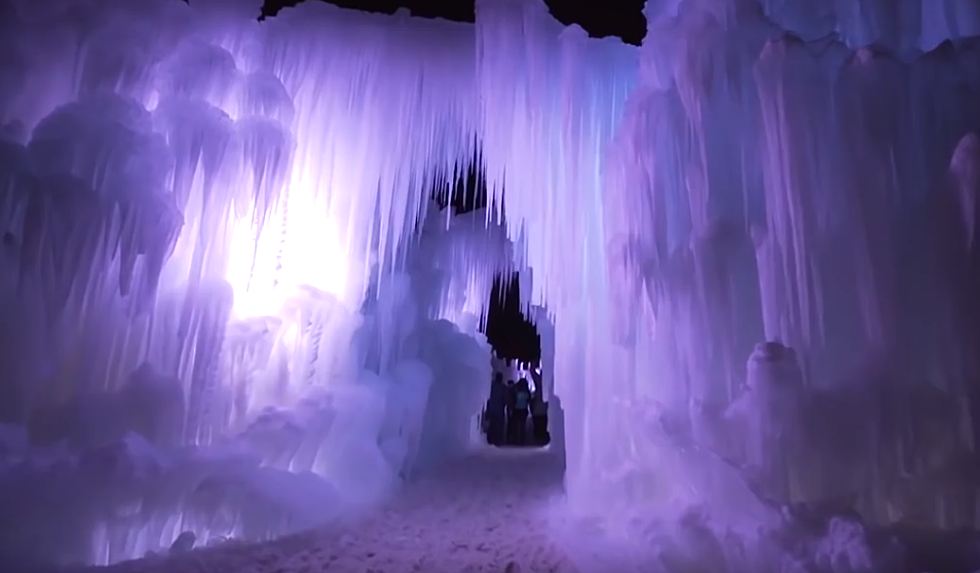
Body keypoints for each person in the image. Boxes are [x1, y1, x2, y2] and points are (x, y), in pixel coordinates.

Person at [485, 372, 508, 446]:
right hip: (499, 409)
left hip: (490, 408)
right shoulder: (503, 387)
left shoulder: (491, 386)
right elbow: (506, 399)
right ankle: (497, 440)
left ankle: (490, 439)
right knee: (498, 426)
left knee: (491, 425)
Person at [511, 378, 532, 445]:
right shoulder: (527, 391)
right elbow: (529, 400)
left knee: (515, 425)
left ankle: (514, 440)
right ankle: (521, 440)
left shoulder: (515, 390)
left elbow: (513, 399)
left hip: (516, 409)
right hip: (524, 409)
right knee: (522, 426)